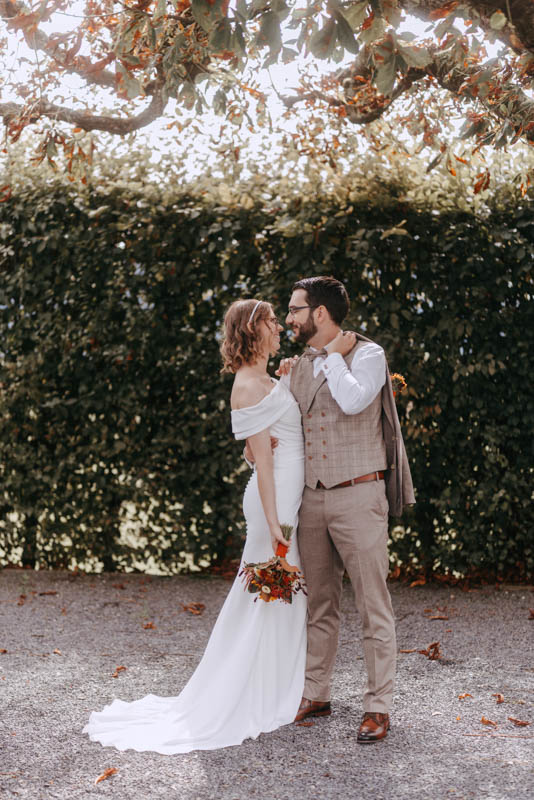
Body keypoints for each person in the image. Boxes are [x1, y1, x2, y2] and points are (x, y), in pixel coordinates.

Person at [83, 299, 307, 754]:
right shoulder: (248, 385)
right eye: (271, 321)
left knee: (275, 598)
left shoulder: (267, 380)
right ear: (252, 330)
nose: (279, 327)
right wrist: (273, 523)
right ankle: (251, 692)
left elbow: (259, 445)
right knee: (268, 595)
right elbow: (262, 464)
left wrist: (284, 382)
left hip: (285, 495)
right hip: (274, 503)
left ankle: (274, 685)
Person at [276, 275, 415, 743]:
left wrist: (334, 357)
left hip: (359, 494)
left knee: (373, 605)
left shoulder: (369, 355)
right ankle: (316, 692)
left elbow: (354, 401)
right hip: (311, 498)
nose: (288, 318)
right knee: (319, 603)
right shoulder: (298, 365)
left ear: (319, 313)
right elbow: (287, 427)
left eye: (294, 309)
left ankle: (378, 707)